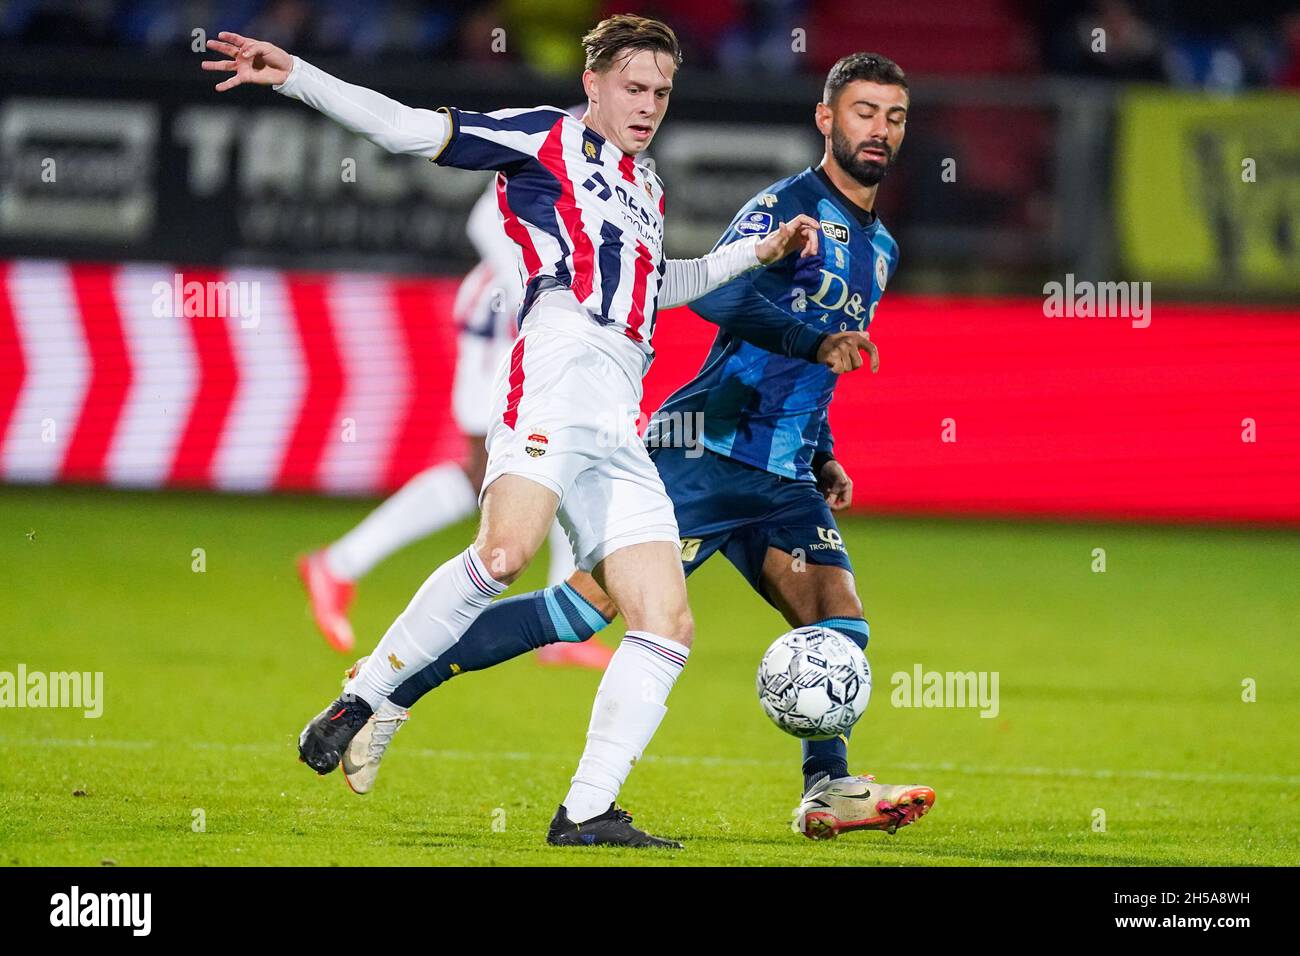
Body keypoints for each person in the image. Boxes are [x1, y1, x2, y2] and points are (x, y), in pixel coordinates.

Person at [203, 14, 874, 848]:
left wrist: (757, 253)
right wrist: (297, 71)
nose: (648, 105)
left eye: (662, 92)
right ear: (592, 84)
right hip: (559, 362)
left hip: (622, 402)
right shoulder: (545, 137)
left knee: (664, 621)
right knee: (504, 553)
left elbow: (659, 284)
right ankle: (368, 694)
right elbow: (408, 130)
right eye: (634, 87)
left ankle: (587, 811)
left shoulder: (649, 186)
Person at [334, 53, 935, 841]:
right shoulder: (786, 206)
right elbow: (719, 295)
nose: (879, 131)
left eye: (893, 117)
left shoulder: (880, 246)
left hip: (784, 471)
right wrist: (811, 337)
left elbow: (819, 367)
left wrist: (822, 449)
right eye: (863, 113)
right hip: (707, 451)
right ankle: (391, 694)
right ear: (827, 119)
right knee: (580, 612)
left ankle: (826, 787)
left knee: (838, 623)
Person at [296, 171, 611, 669]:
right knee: (525, 464)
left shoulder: (597, 151)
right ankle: (338, 565)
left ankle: (561, 625)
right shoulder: (566, 138)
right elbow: (487, 218)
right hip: (509, 330)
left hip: (521, 326)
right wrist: (533, 291)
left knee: (549, 463)